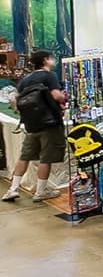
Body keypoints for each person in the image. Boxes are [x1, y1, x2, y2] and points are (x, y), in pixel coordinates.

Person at [4, 49, 67, 202]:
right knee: (46, 158)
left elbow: (15, 99)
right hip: (50, 123)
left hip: (31, 124)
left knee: (25, 156)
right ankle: (41, 191)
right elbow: (56, 95)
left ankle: (13, 189)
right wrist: (64, 97)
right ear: (45, 60)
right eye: (51, 58)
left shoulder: (25, 79)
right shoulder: (49, 76)